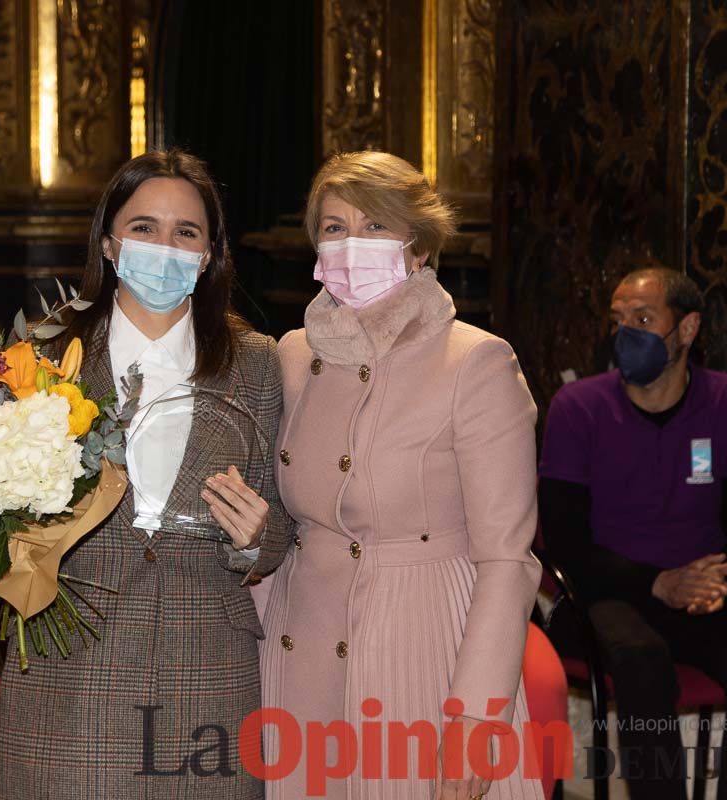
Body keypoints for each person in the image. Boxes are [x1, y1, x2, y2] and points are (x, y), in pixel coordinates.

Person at [0, 149, 293, 800]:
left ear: (209, 254)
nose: (166, 246)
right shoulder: (43, 356)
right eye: (145, 227)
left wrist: (255, 537)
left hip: (207, 674)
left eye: (187, 232)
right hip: (70, 671)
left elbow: (281, 527)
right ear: (108, 241)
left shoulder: (257, 364)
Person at [254, 151, 545, 800]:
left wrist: (476, 717)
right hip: (299, 649)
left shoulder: (476, 362)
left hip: (420, 649)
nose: (351, 243)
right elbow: (281, 518)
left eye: (376, 225)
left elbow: (507, 560)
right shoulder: (292, 354)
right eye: (334, 227)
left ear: (419, 248)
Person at [540, 267, 727, 799]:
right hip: (599, 597)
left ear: (688, 329)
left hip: (695, 596)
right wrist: (658, 583)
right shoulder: (578, 408)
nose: (625, 331)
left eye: (643, 318)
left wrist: (714, 581)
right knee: (641, 659)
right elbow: (564, 544)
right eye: (617, 318)